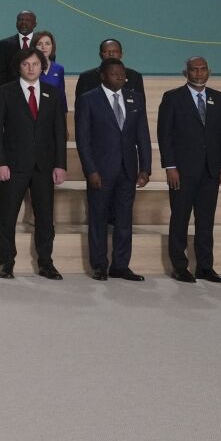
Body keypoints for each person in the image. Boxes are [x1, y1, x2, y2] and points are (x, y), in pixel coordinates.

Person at [0, 45, 67, 279]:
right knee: (7, 215)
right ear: (18, 67)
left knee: (45, 217)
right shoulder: (4, 92)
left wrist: (60, 164)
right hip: (13, 165)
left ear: (42, 66)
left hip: (44, 166)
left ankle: (46, 263)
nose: (31, 68)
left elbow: (59, 132)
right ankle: (6, 262)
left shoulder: (52, 93)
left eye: (35, 64)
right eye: (26, 64)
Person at [158, 57, 221, 283]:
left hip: (211, 171)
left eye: (203, 69)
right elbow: (165, 135)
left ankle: (205, 267)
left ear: (209, 72)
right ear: (185, 72)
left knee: (206, 221)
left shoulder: (219, 99)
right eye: (194, 70)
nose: (199, 73)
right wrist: (170, 166)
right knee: (180, 219)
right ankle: (180, 267)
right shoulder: (172, 98)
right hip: (181, 171)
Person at [76, 58, 152, 281]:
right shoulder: (88, 100)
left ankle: (121, 265)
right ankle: (99, 265)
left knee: (124, 219)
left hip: (128, 170)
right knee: (98, 218)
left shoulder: (135, 98)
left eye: (122, 74)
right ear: (102, 75)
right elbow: (83, 140)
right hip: (100, 171)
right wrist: (91, 170)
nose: (120, 77)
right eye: (114, 74)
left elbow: (143, 136)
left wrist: (145, 168)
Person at [74, 39, 146, 101]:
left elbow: (141, 107)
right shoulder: (86, 78)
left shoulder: (134, 77)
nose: (111, 54)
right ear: (100, 55)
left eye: (115, 51)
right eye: (106, 51)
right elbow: (80, 108)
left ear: (121, 54)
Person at [0, 11, 40, 85]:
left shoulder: (41, 44)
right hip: (11, 91)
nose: (23, 22)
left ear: (35, 24)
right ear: (16, 23)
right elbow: (0, 73)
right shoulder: (5, 44)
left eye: (27, 20)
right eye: (20, 20)